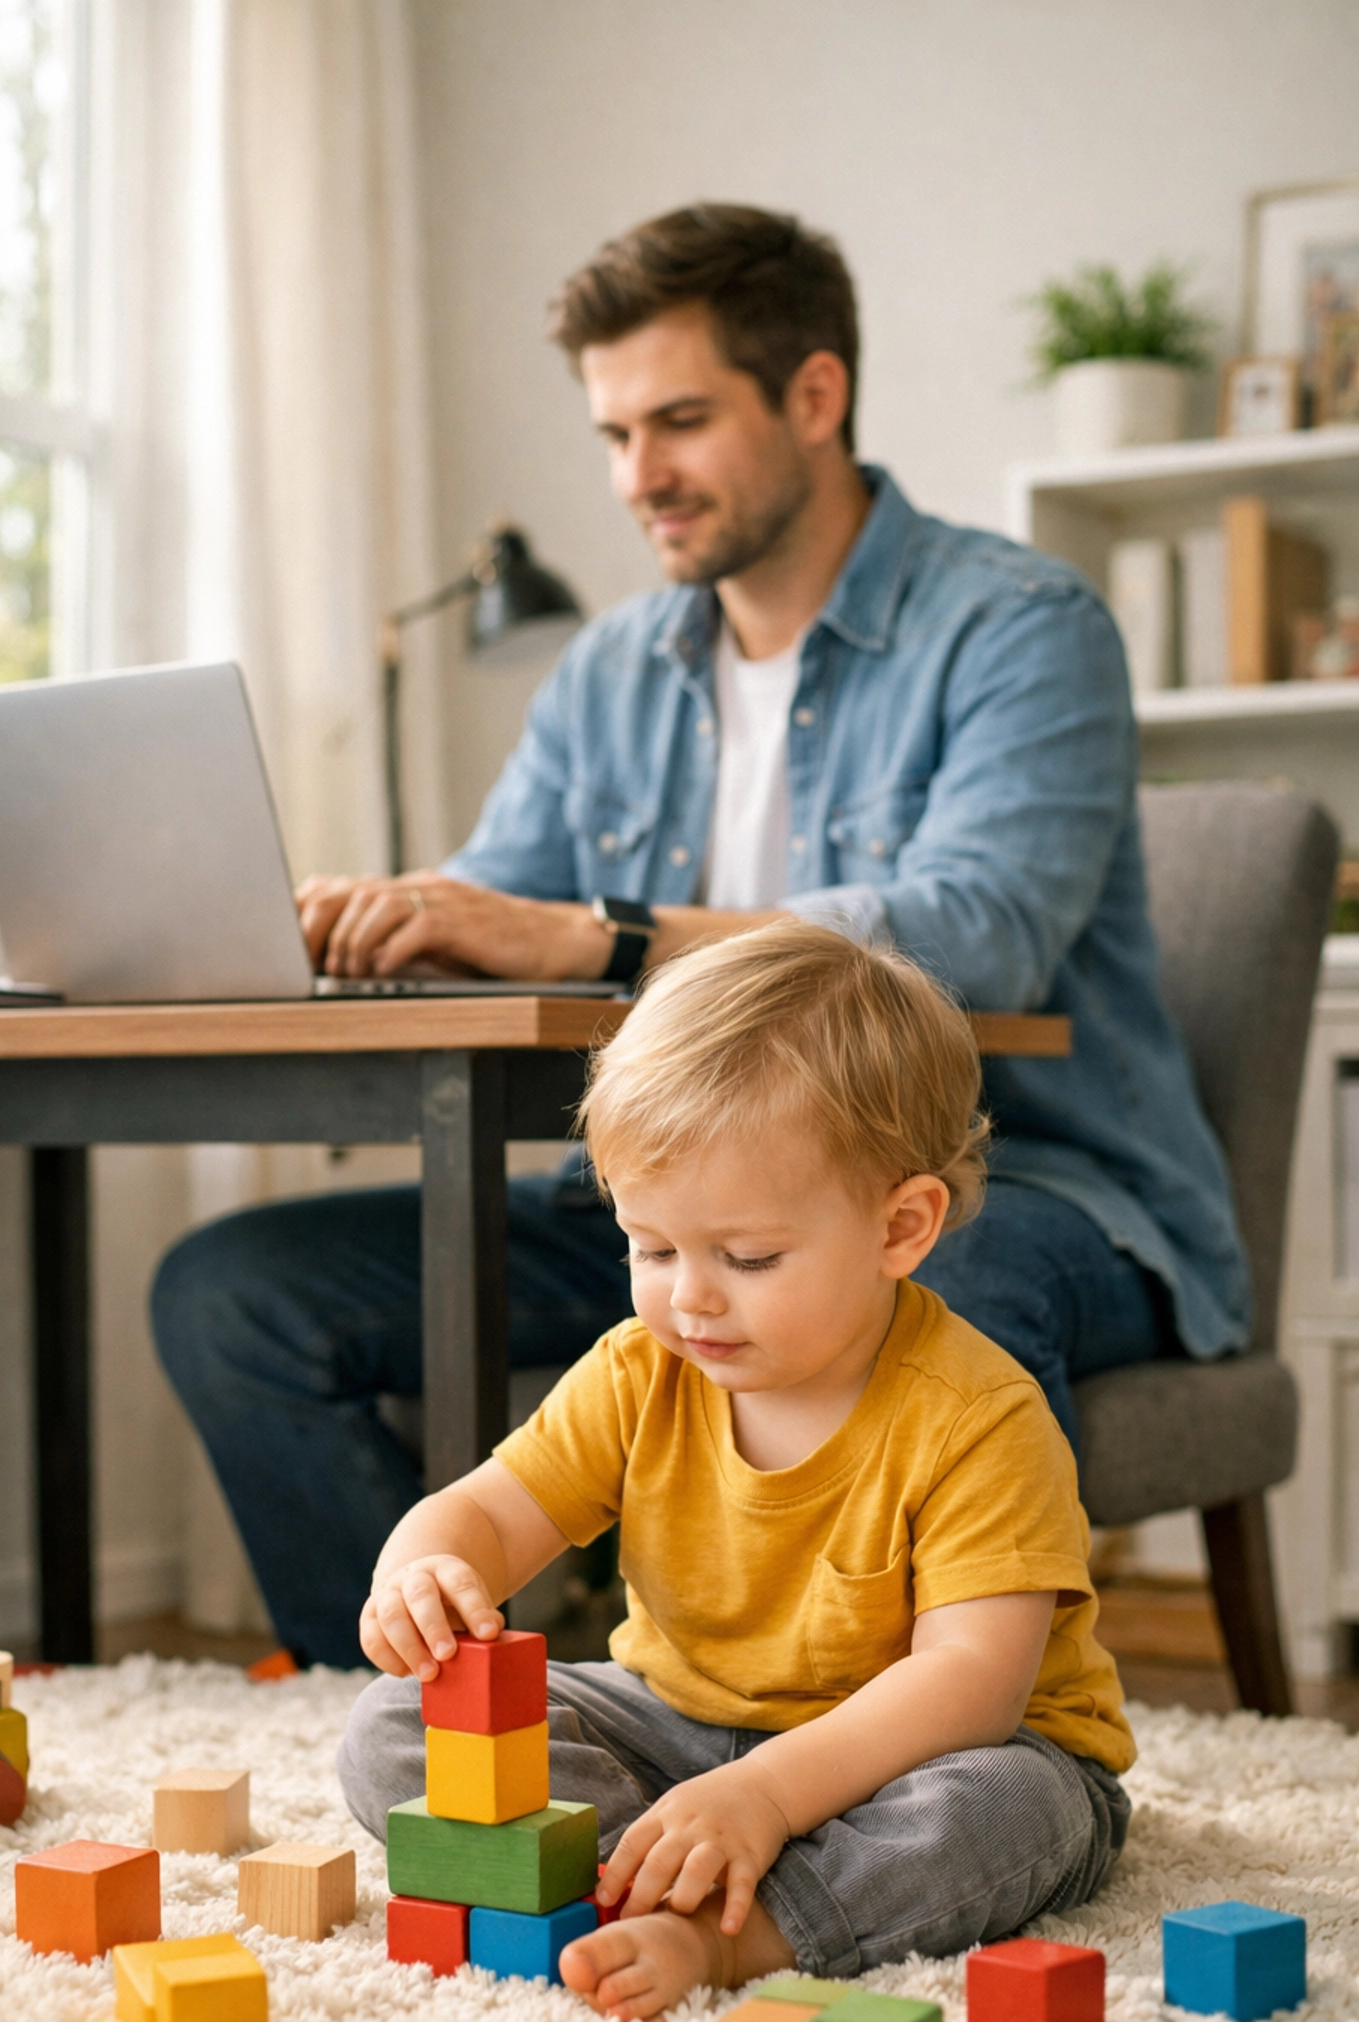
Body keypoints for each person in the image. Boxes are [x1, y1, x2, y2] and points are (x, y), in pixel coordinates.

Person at [151, 203, 1247, 1669]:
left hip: (1010, 1182)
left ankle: (900, 1763)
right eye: (612, 436)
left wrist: (589, 938)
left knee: (919, 1293)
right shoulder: (611, 669)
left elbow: (973, 939)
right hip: (675, 1206)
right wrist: (397, 923)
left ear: (814, 395)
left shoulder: (1021, 625)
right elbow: (501, 911)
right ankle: (444, 1717)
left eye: (676, 421)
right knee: (235, 1293)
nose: (636, 479)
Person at [337, 923, 1134, 2018]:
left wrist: (766, 1792)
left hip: (929, 1753)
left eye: (747, 1258)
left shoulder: (979, 1416)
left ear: (902, 1227)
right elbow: (487, 1509)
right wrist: (421, 1569)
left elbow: (972, 1685)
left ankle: (739, 1934)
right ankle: (638, 1877)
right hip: (676, 1725)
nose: (690, 1298)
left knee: (1010, 1811)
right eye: (651, 1248)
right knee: (393, 1725)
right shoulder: (641, 1370)